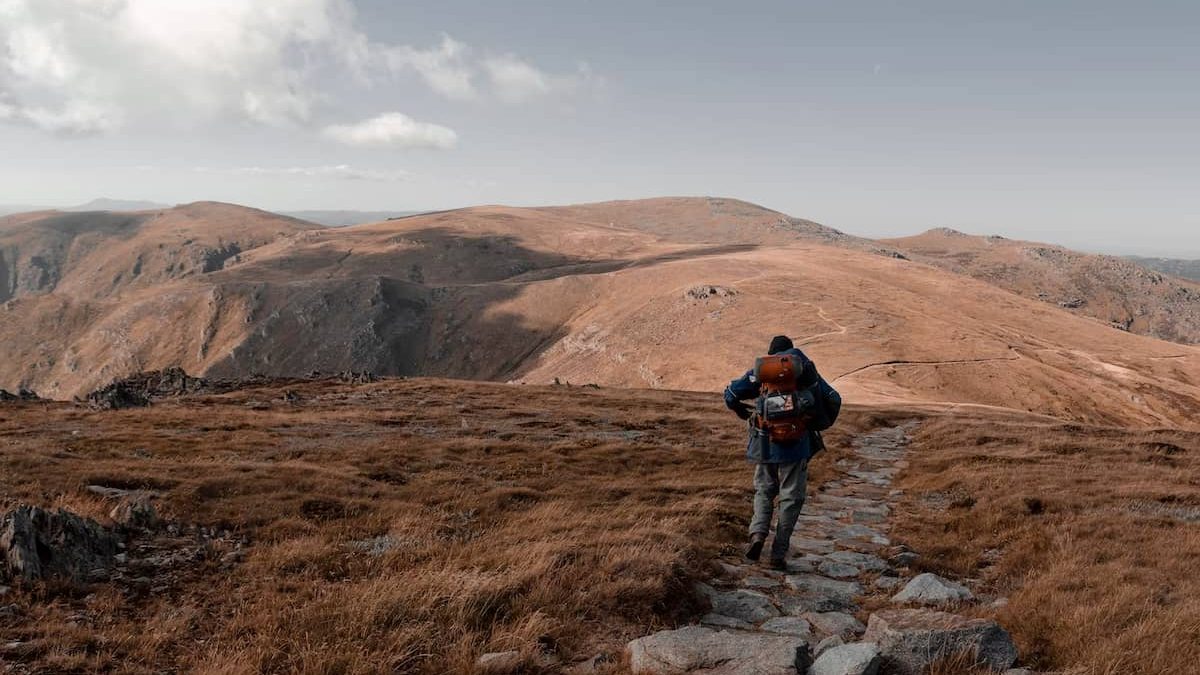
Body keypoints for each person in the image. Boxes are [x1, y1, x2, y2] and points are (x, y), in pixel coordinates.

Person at [723, 335, 836, 570]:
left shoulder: (763, 371)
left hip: (765, 442)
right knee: (791, 499)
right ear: (791, 350)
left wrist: (742, 412)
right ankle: (778, 553)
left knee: (764, 491)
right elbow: (833, 398)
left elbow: (732, 394)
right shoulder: (804, 369)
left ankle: (757, 535)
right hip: (797, 445)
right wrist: (817, 422)